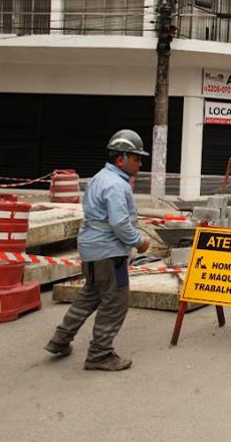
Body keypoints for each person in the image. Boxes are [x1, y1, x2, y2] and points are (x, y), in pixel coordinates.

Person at [45, 129, 152, 371]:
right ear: (120, 159)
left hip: (92, 251)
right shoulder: (116, 185)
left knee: (89, 295)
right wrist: (139, 241)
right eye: (136, 158)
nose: (139, 163)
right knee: (115, 302)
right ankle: (100, 354)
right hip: (109, 253)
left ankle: (60, 339)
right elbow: (119, 223)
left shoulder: (99, 178)